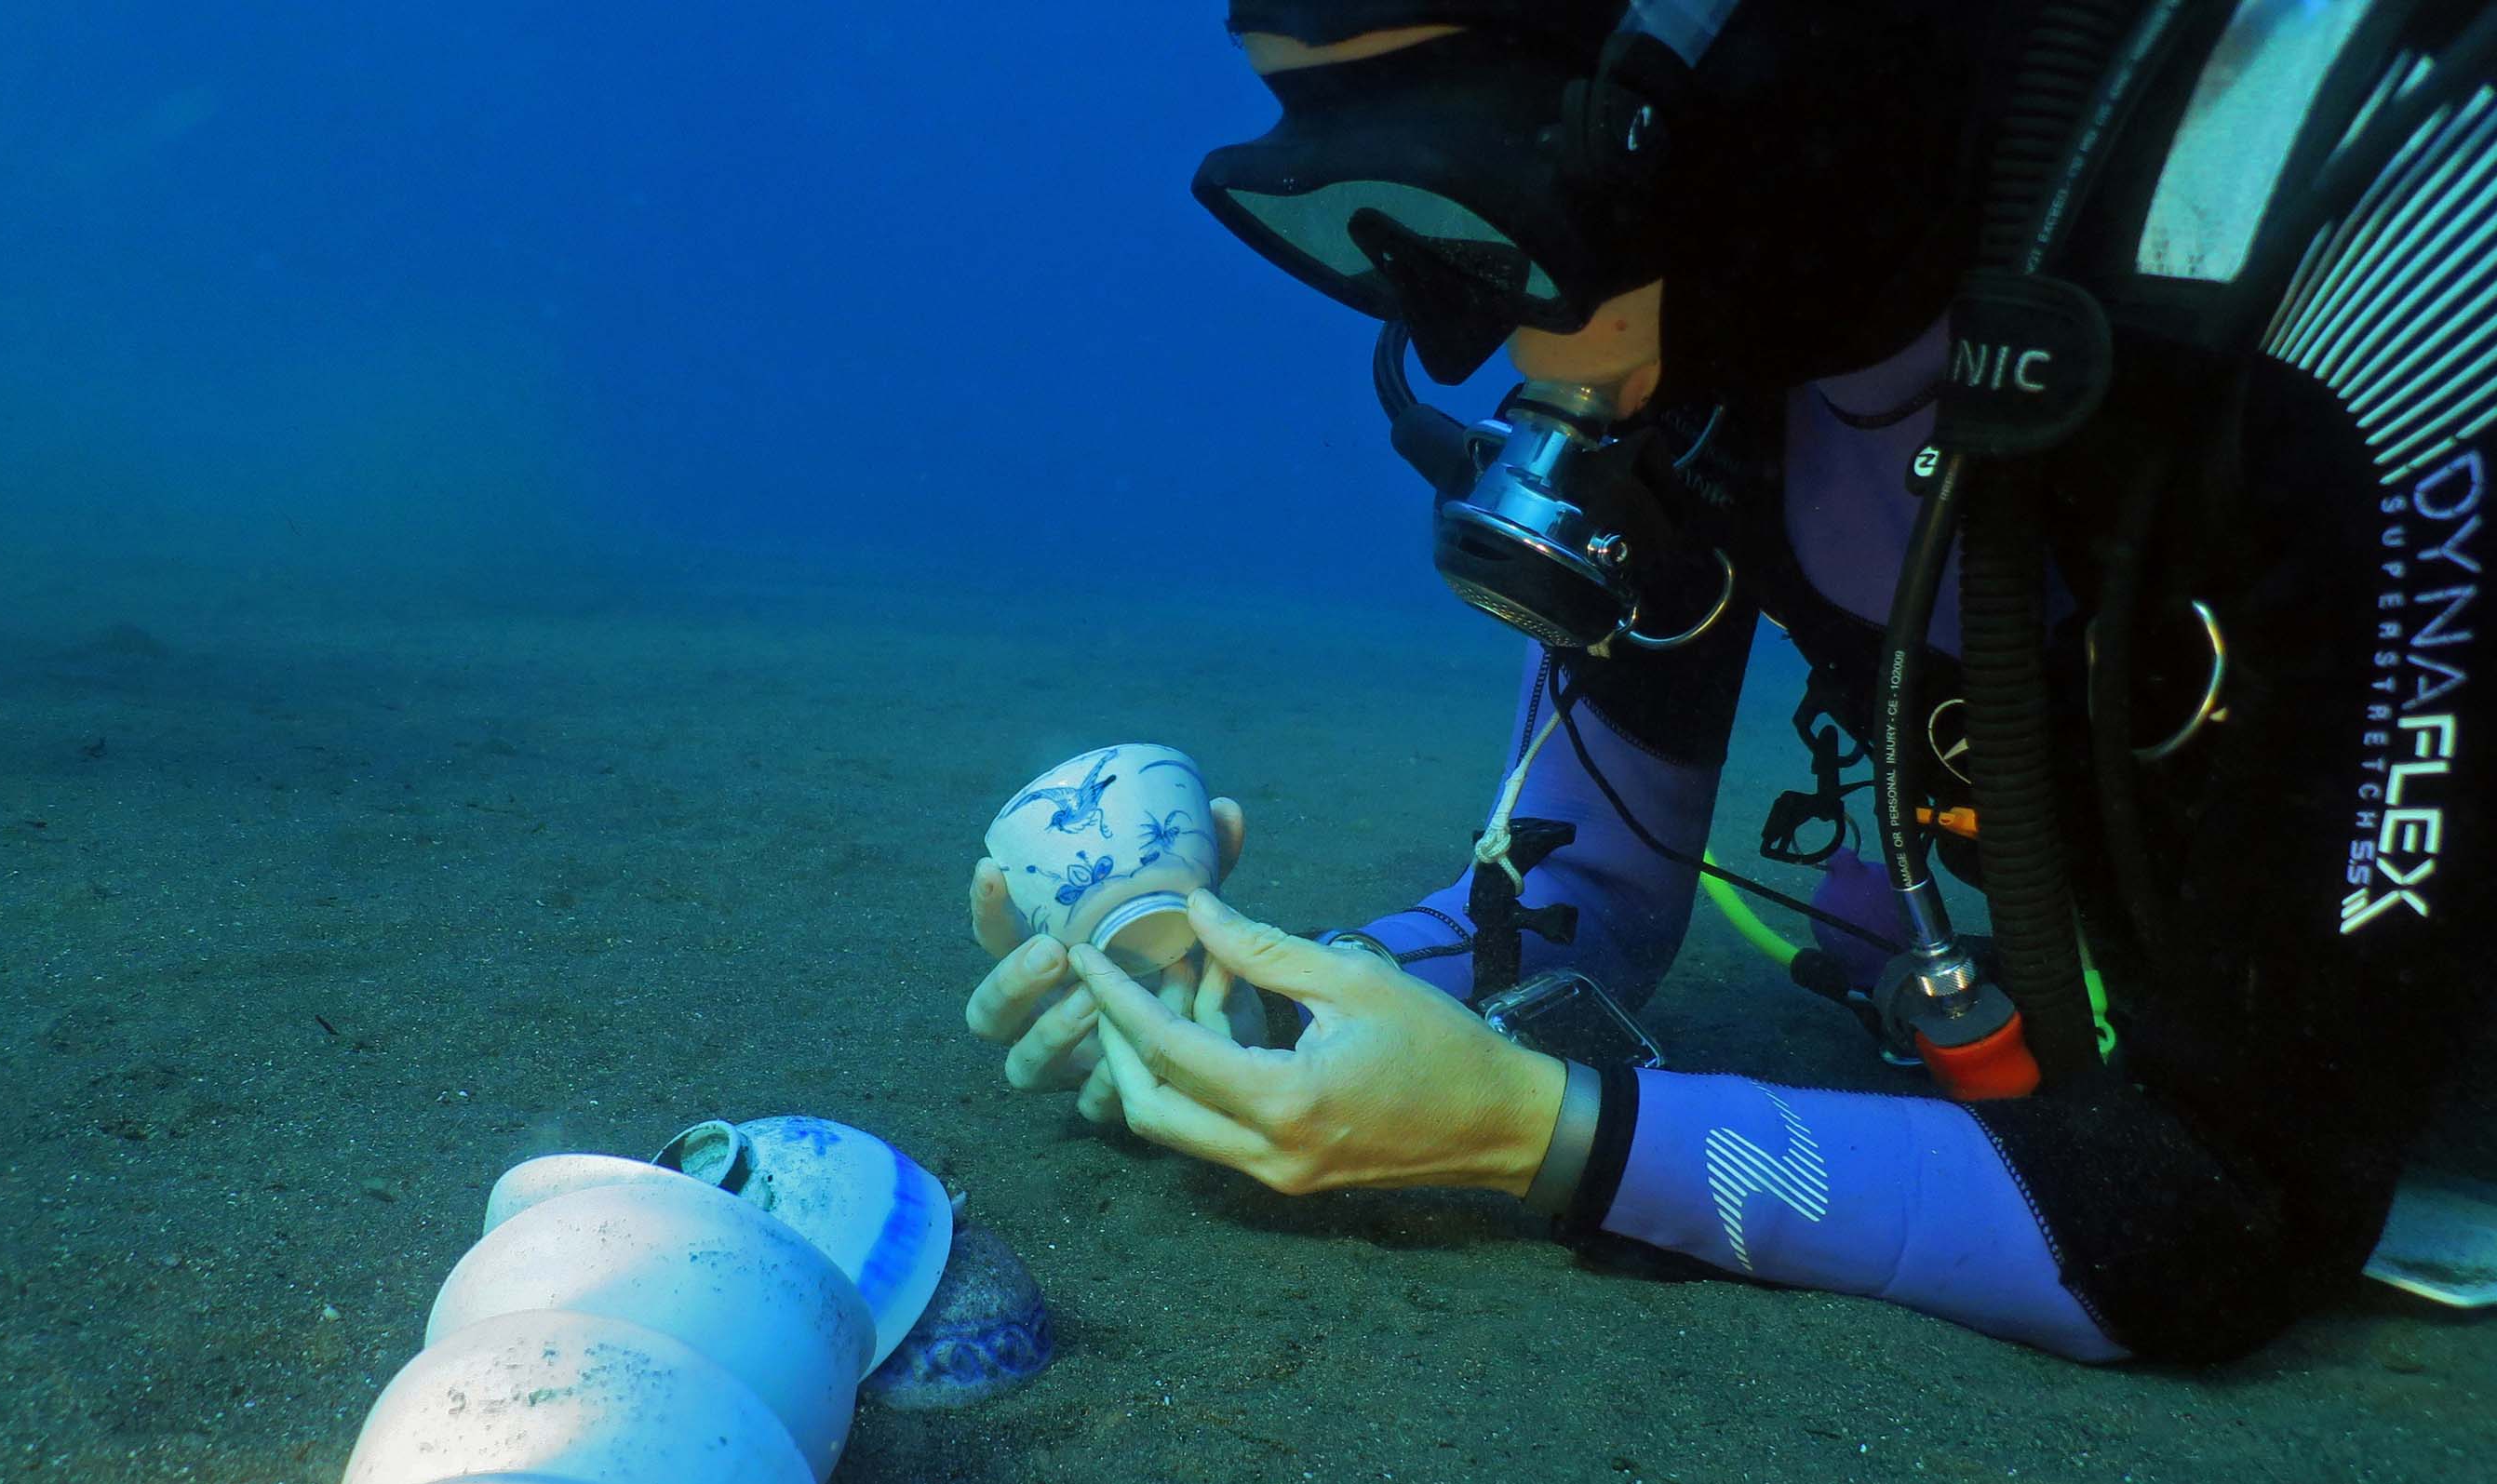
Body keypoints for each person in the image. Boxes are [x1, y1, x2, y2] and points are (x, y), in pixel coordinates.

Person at [966, 0, 2496, 1365]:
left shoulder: (2393, 261)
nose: (1452, 330)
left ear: (1708, 90)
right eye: (1362, 212)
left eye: (1473, 185)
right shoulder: (1731, 310)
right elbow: (1586, 899)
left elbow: (2224, 1200)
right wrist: (1239, 987)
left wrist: (1538, 1134)